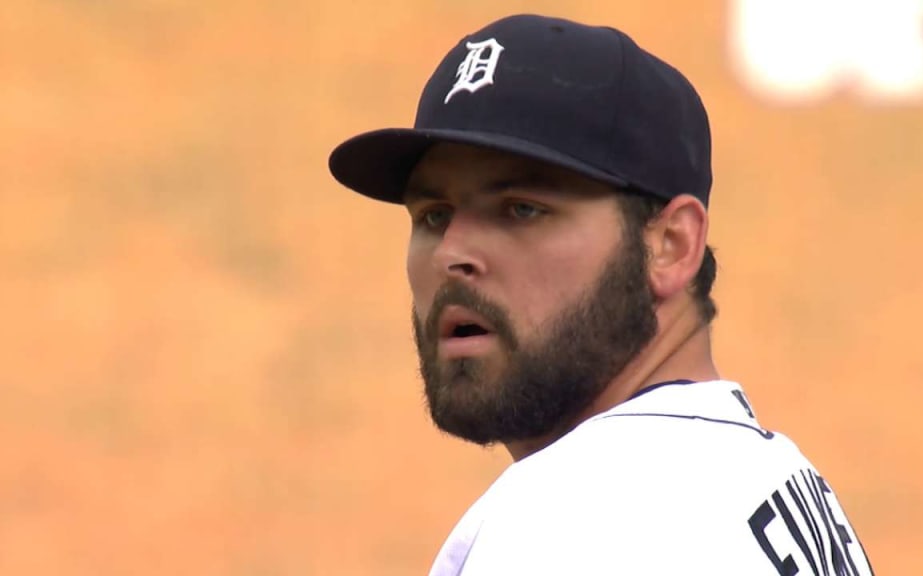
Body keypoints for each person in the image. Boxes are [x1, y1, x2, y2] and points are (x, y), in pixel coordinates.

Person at [329, 13, 874, 576]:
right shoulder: (781, 484)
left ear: (670, 245)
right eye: (434, 214)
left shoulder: (572, 520)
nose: (451, 254)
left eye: (521, 209)